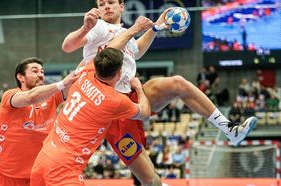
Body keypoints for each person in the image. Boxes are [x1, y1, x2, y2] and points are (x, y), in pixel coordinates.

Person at [62, 0, 257, 184]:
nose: (106, 7)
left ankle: (230, 129)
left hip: (132, 93)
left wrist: (155, 28)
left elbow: (136, 50)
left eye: (111, 2)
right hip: (112, 109)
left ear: (121, 6)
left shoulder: (122, 32)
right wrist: (86, 27)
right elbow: (68, 46)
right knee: (150, 180)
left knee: (178, 83)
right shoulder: (98, 27)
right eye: (101, 4)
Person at [30, 48, 152, 185]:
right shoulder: (115, 100)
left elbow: (105, 52)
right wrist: (139, 88)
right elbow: (145, 112)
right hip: (64, 169)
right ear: (119, 74)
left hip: (43, 158)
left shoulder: (86, 71)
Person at [0, 57, 79, 186]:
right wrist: (60, 84)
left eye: (42, 71)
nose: (41, 75)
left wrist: (92, 54)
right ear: (21, 77)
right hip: (4, 176)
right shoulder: (10, 95)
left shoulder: (51, 96)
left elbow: (76, 77)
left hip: (36, 177)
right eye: (35, 71)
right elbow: (30, 98)